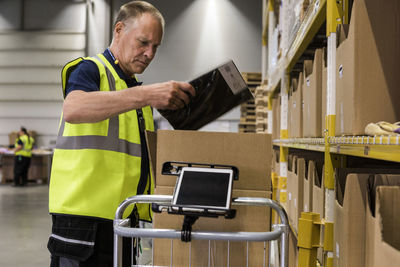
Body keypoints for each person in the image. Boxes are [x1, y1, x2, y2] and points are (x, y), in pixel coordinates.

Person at [47, 1, 195, 266]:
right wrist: (147, 94)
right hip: (84, 224)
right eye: (143, 43)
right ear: (118, 30)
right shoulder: (90, 70)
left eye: (155, 47)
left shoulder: (133, 94)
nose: (149, 53)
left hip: (123, 220)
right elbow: (74, 107)